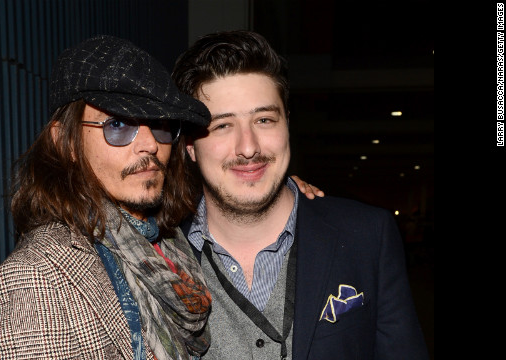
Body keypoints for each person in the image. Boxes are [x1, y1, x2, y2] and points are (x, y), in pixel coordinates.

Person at [0, 34, 320, 360]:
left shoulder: (168, 245)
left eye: (159, 125)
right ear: (65, 142)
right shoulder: (37, 278)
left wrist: (273, 185)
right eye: (118, 125)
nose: (150, 144)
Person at [171, 30, 429, 359]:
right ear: (190, 145)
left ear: (287, 125)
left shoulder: (368, 236)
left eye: (264, 120)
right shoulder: (155, 255)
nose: (248, 147)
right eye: (222, 125)